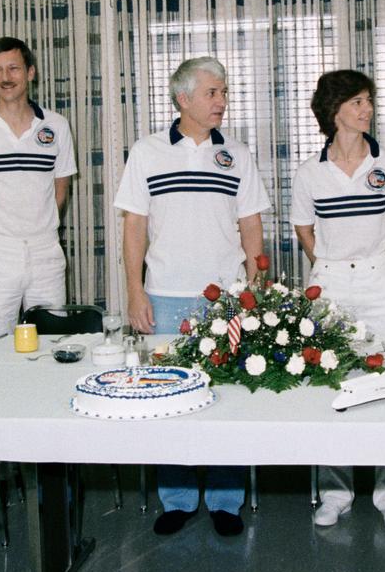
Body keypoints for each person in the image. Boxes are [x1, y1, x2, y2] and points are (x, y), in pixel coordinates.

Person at [115, 56, 270, 538]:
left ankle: (226, 501)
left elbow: (251, 225)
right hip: (165, 295)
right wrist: (135, 290)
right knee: (168, 399)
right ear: (183, 99)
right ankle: (178, 500)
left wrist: (256, 290)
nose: (222, 101)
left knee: (226, 401)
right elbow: (134, 226)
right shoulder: (146, 151)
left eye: (224, 92)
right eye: (213, 93)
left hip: (226, 300)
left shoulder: (238, 154)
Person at [291, 70, 385, 532]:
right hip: (330, 286)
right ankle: (335, 494)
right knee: (333, 387)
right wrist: (328, 266)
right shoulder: (309, 171)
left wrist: (382, 261)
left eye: (369, 102)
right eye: (358, 102)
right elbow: (304, 228)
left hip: (381, 283)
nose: (367, 110)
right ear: (334, 109)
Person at [0, 37, 77, 336]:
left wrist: (37, 228)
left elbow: (60, 190)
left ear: (30, 72)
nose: (5, 78)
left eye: (13, 68)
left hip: (45, 249)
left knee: (50, 339)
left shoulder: (56, 126)